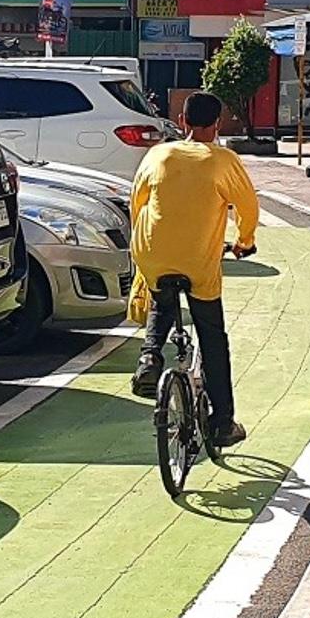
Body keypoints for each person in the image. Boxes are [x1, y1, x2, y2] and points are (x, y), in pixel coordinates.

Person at [129, 92, 262, 450]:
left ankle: (149, 356)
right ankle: (222, 423)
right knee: (212, 337)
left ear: (183, 123)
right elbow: (248, 207)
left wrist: (147, 247)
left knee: (162, 299)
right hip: (197, 260)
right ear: (218, 125)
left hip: (152, 252)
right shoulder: (222, 159)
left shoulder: (158, 153)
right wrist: (244, 241)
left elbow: (137, 201)